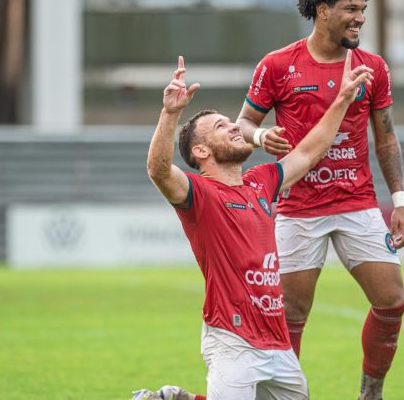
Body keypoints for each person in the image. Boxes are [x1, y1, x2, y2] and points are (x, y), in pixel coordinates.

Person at [135, 52, 373, 400]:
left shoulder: (260, 181)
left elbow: (309, 152)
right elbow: (158, 170)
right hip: (233, 340)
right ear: (201, 152)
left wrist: (342, 99)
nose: (234, 126)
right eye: (221, 126)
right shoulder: (199, 193)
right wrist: (170, 113)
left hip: (277, 342)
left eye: (230, 122)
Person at [235, 0, 404, 399]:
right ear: (322, 10)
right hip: (298, 209)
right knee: (291, 312)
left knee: (392, 301)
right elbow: (241, 124)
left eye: (363, 10)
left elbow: (386, 138)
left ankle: (371, 392)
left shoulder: (372, 67)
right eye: (351, 9)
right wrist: (261, 136)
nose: (359, 18)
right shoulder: (277, 65)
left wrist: (401, 200)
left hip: (357, 203)